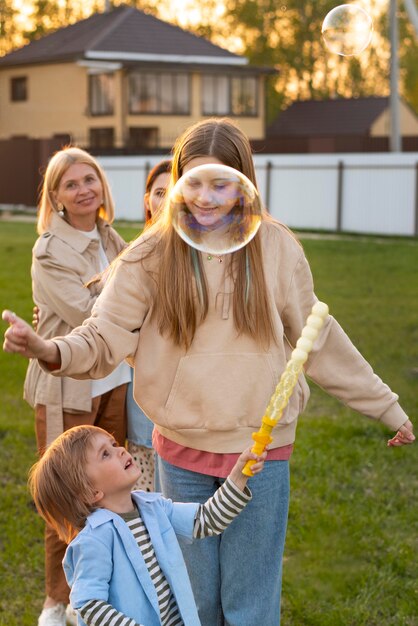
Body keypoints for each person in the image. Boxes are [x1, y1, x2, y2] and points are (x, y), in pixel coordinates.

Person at [2, 118, 415, 626]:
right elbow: (103, 337)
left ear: (244, 182)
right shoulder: (150, 255)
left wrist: (386, 406)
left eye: (221, 183)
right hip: (181, 455)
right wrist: (49, 348)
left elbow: (319, 338)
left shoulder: (277, 248)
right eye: (194, 182)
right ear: (177, 183)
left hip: (260, 453)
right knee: (193, 601)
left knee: (251, 604)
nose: (207, 197)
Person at [22, 146, 131, 626]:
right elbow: (90, 314)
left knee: (108, 493)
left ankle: (94, 597)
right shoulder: (50, 250)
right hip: (66, 385)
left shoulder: (114, 239)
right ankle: (55, 601)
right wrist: (129, 301)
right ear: (57, 197)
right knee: (65, 496)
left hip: (116, 380)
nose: (84, 189)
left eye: (91, 179)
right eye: (72, 183)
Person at [28, 424, 266, 626]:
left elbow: (207, 519)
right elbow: (88, 605)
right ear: (91, 492)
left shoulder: (153, 507)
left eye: (113, 444)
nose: (120, 450)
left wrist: (238, 475)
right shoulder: (94, 540)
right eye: (105, 454)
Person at [126, 159, 171, 491]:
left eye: (174, 192)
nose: (167, 199)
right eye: (159, 192)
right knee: (144, 491)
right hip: (146, 388)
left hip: (190, 398)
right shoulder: (134, 256)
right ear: (147, 200)